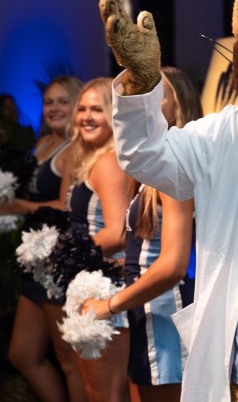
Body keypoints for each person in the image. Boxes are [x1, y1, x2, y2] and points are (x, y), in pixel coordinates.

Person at [82, 67, 199, 402]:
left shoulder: (175, 167)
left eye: (153, 94)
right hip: (148, 309)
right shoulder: (153, 166)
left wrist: (109, 304)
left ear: (179, 104)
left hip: (165, 311)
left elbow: (174, 264)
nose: (139, 102)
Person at [4, 76, 86, 402]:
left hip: (58, 261)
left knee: (69, 361)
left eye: (62, 102)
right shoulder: (43, 144)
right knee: (22, 354)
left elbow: (67, 207)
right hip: (35, 259)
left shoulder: (75, 149)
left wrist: (22, 206)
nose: (54, 108)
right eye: (49, 102)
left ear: (76, 105)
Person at [67, 77, 135, 401]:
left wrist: (67, 254)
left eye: (97, 109)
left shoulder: (110, 161)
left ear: (114, 114)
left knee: (106, 394)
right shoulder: (94, 157)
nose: (87, 116)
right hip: (90, 279)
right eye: (82, 109)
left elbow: (118, 233)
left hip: (106, 285)